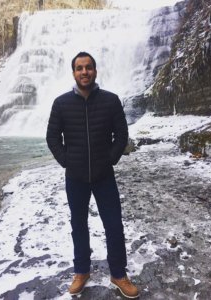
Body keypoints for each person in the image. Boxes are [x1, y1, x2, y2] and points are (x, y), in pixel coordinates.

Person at [46, 52, 139, 299]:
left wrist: (110, 159)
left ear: (95, 71)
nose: (84, 72)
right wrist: (67, 161)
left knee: (113, 225)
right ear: (73, 73)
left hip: (104, 175)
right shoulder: (61, 103)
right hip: (75, 176)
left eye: (88, 67)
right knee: (78, 225)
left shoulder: (110, 101)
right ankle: (81, 271)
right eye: (79, 68)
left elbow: (121, 135)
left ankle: (118, 274)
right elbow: (52, 138)